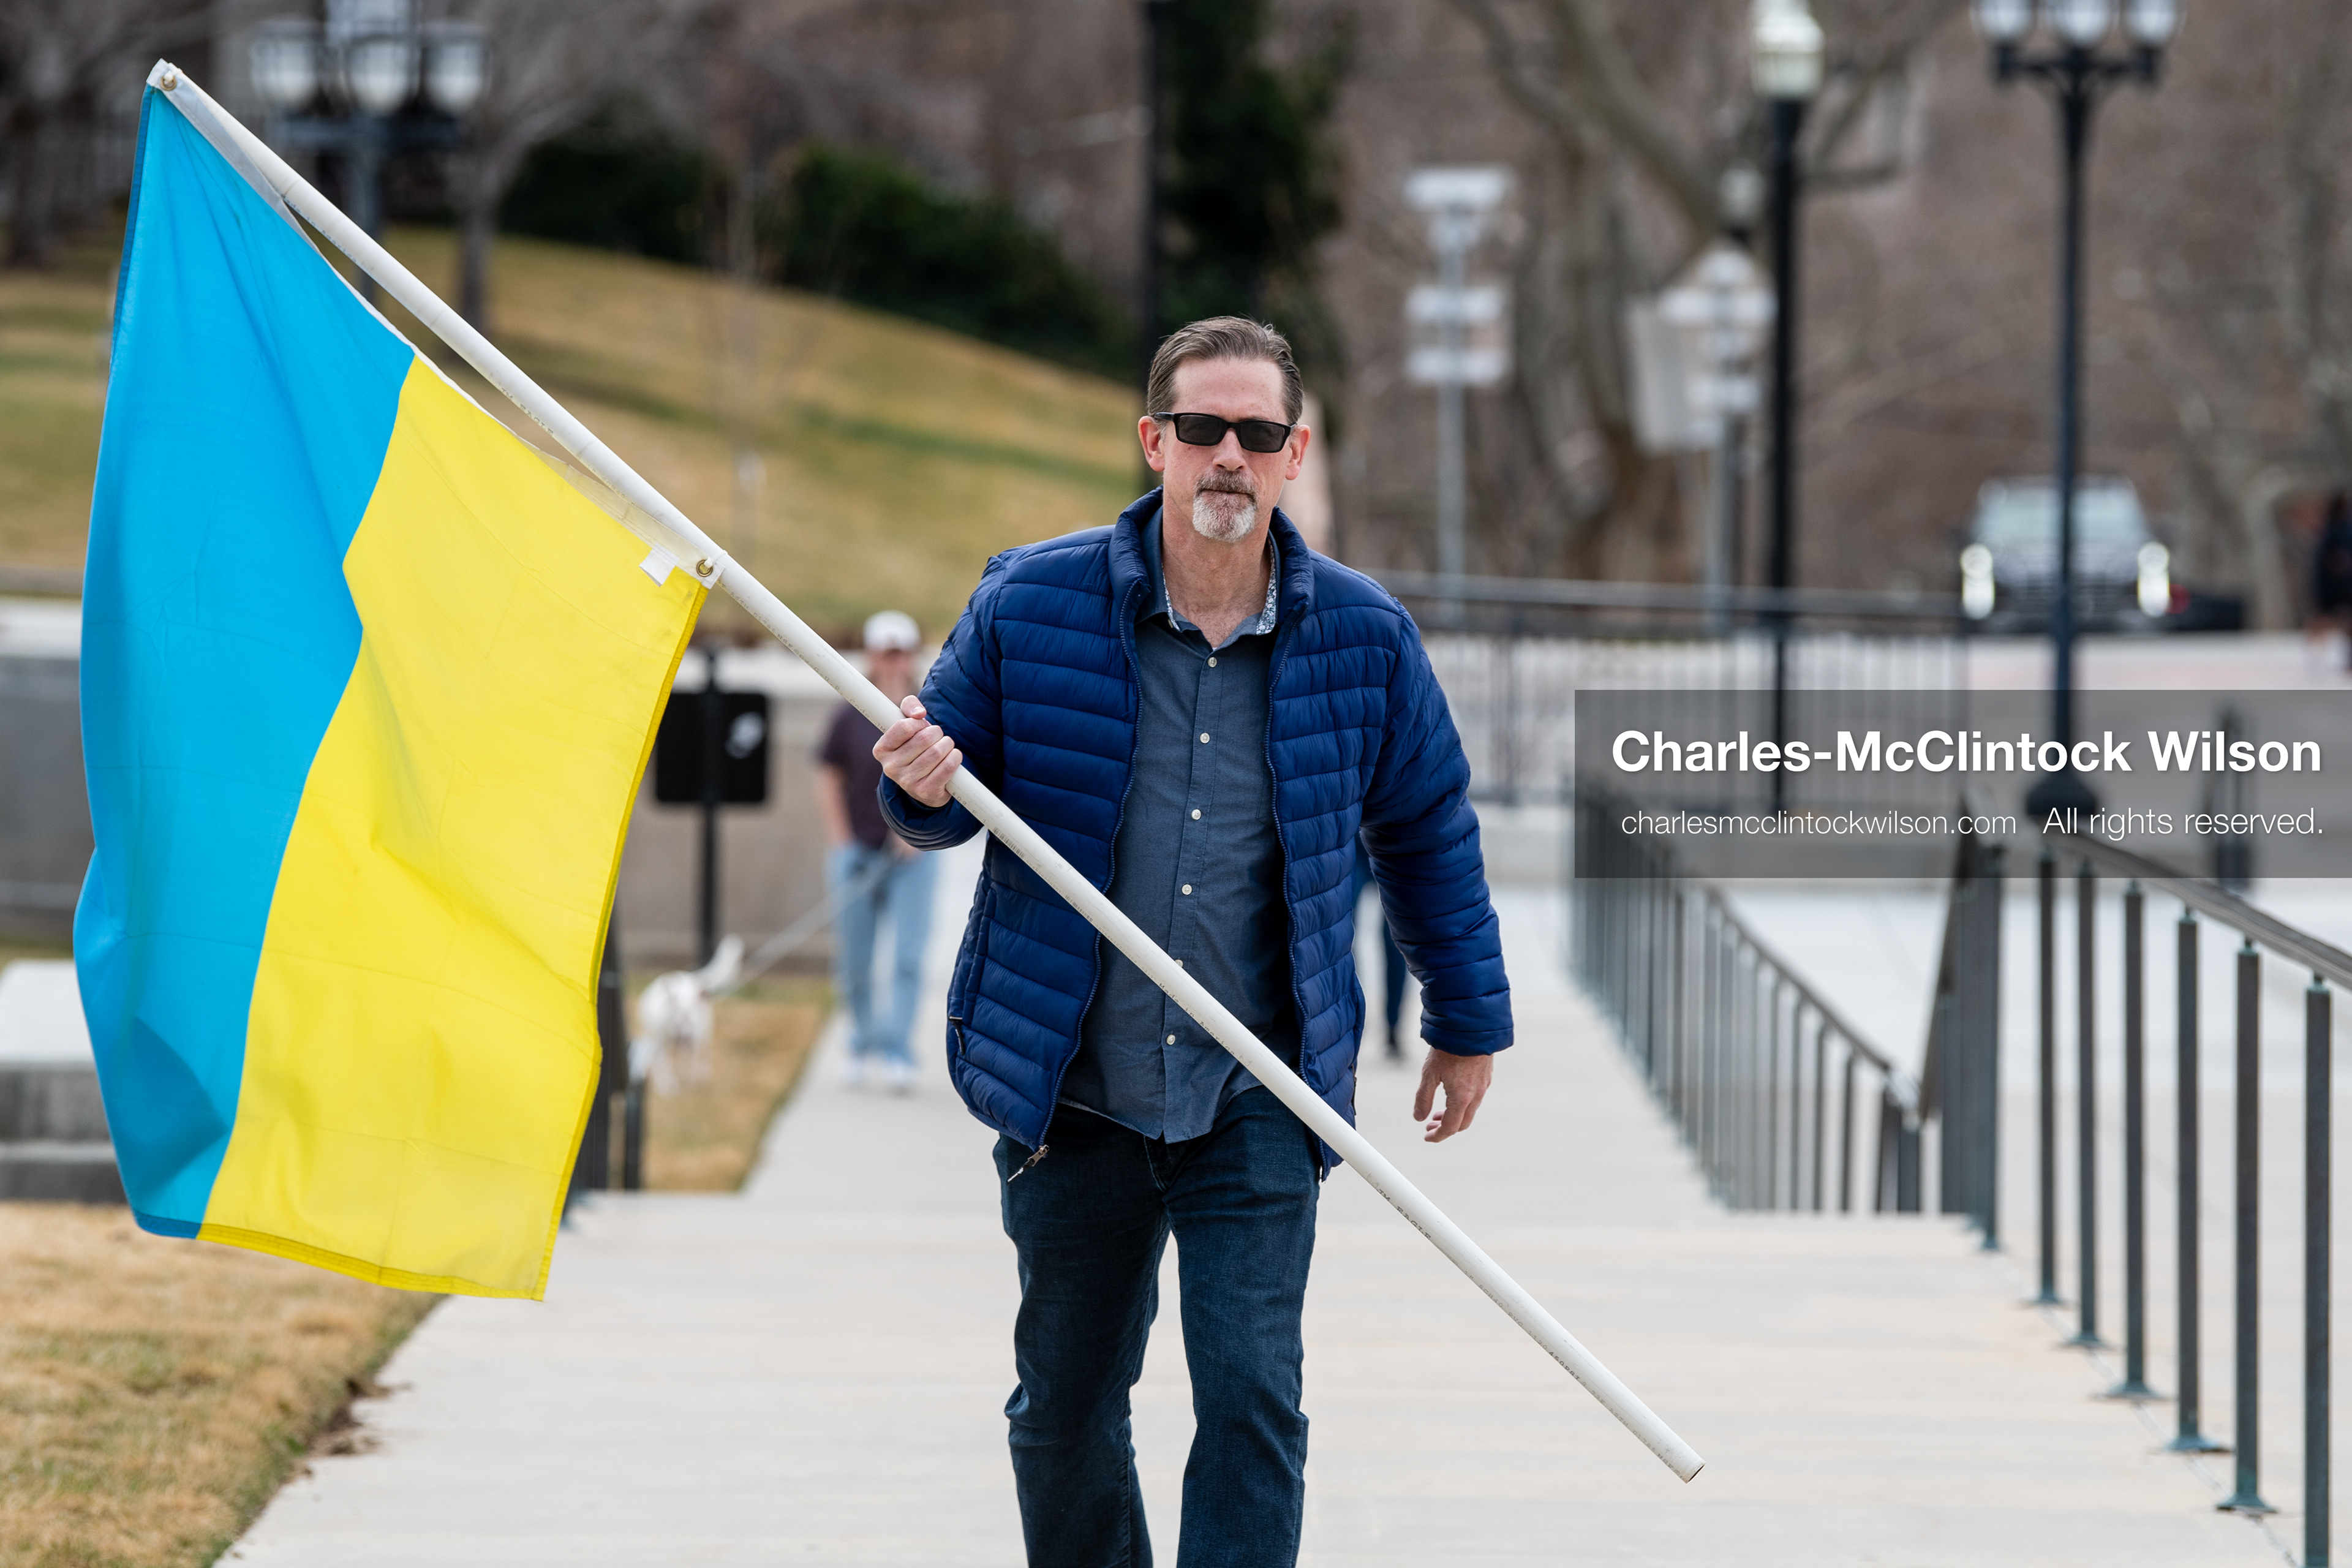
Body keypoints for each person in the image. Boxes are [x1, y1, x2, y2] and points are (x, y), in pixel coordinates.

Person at [873, 316, 1512, 1567]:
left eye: (1257, 434)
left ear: (1294, 453)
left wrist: (1465, 1017)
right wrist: (915, 782)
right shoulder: (1031, 603)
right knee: (1062, 1406)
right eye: (1204, 430)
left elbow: (1427, 824)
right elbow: (932, 794)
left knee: (1253, 1400)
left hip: (1258, 1086)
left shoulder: (1363, 637)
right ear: (1154, 441)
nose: (1230, 455)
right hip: (1075, 1087)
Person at [815, 609, 938, 1091]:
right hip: (857, 855)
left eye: (901, 653)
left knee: (908, 957)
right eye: (886, 654)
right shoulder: (849, 713)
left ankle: (897, 1050)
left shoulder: (931, 712)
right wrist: (842, 841)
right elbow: (828, 776)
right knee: (856, 961)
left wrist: (919, 832)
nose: (894, 663)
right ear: (872, 658)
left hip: (913, 859)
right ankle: (863, 1040)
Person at [1351, 835, 1411, 1062]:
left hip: (1393, 842)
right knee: (1342, 939)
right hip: (1354, 843)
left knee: (1397, 942)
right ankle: (1352, 1018)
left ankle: (1394, 1028)